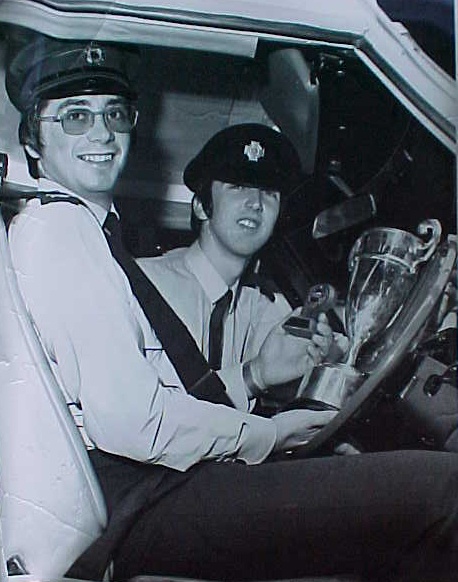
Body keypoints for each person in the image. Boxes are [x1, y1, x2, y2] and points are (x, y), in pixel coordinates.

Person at [5, 30, 458, 582]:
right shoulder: (60, 230)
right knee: (443, 489)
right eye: (75, 116)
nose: (102, 132)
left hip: (155, 487)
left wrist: (272, 399)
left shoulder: (89, 234)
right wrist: (269, 434)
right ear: (33, 141)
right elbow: (134, 424)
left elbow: (159, 398)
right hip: (142, 502)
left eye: (115, 114)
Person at [137, 123, 343, 411]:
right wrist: (253, 376)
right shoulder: (142, 284)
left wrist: (326, 355)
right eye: (238, 187)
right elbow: (150, 416)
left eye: (269, 192)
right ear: (200, 206)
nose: (256, 203)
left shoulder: (260, 309)